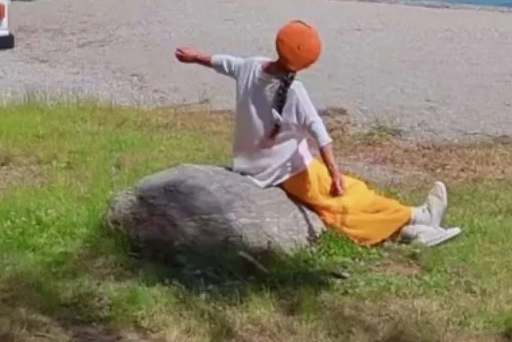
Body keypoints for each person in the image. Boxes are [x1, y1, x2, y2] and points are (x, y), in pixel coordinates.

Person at [175, 20, 460, 249]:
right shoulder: (295, 92)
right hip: (289, 171)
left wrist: (194, 57)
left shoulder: (250, 66)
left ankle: (413, 226)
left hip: (256, 166)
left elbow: (222, 62)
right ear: (305, 65)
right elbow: (320, 134)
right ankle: (416, 218)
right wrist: (334, 173)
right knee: (346, 203)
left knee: (355, 192)